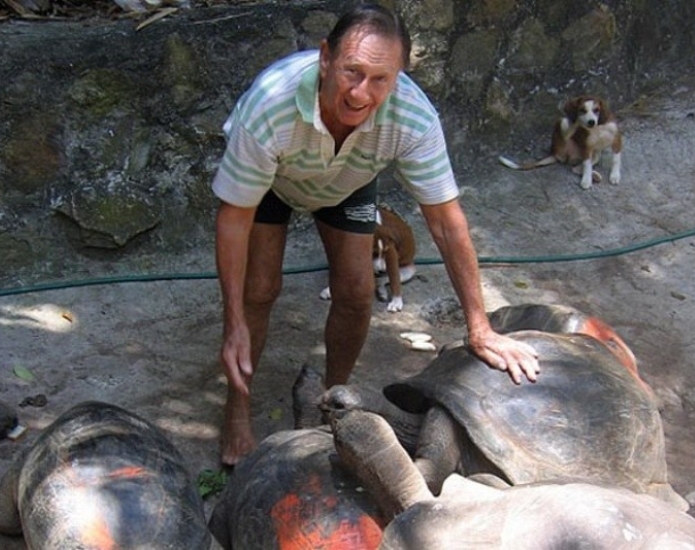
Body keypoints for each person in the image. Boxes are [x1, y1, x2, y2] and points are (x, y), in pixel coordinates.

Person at [212, 3, 540, 465]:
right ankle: (237, 410)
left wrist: (480, 328)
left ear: (399, 76)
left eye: (380, 79)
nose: (361, 92)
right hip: (272, 181)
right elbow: (233, 217)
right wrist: (232, 323)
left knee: (357, 291)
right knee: (260, 289)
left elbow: (446, 220)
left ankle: (330, 404)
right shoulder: (272, 106)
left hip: (347, 177)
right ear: (326, 58)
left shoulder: (412, 117)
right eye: (352, 71)